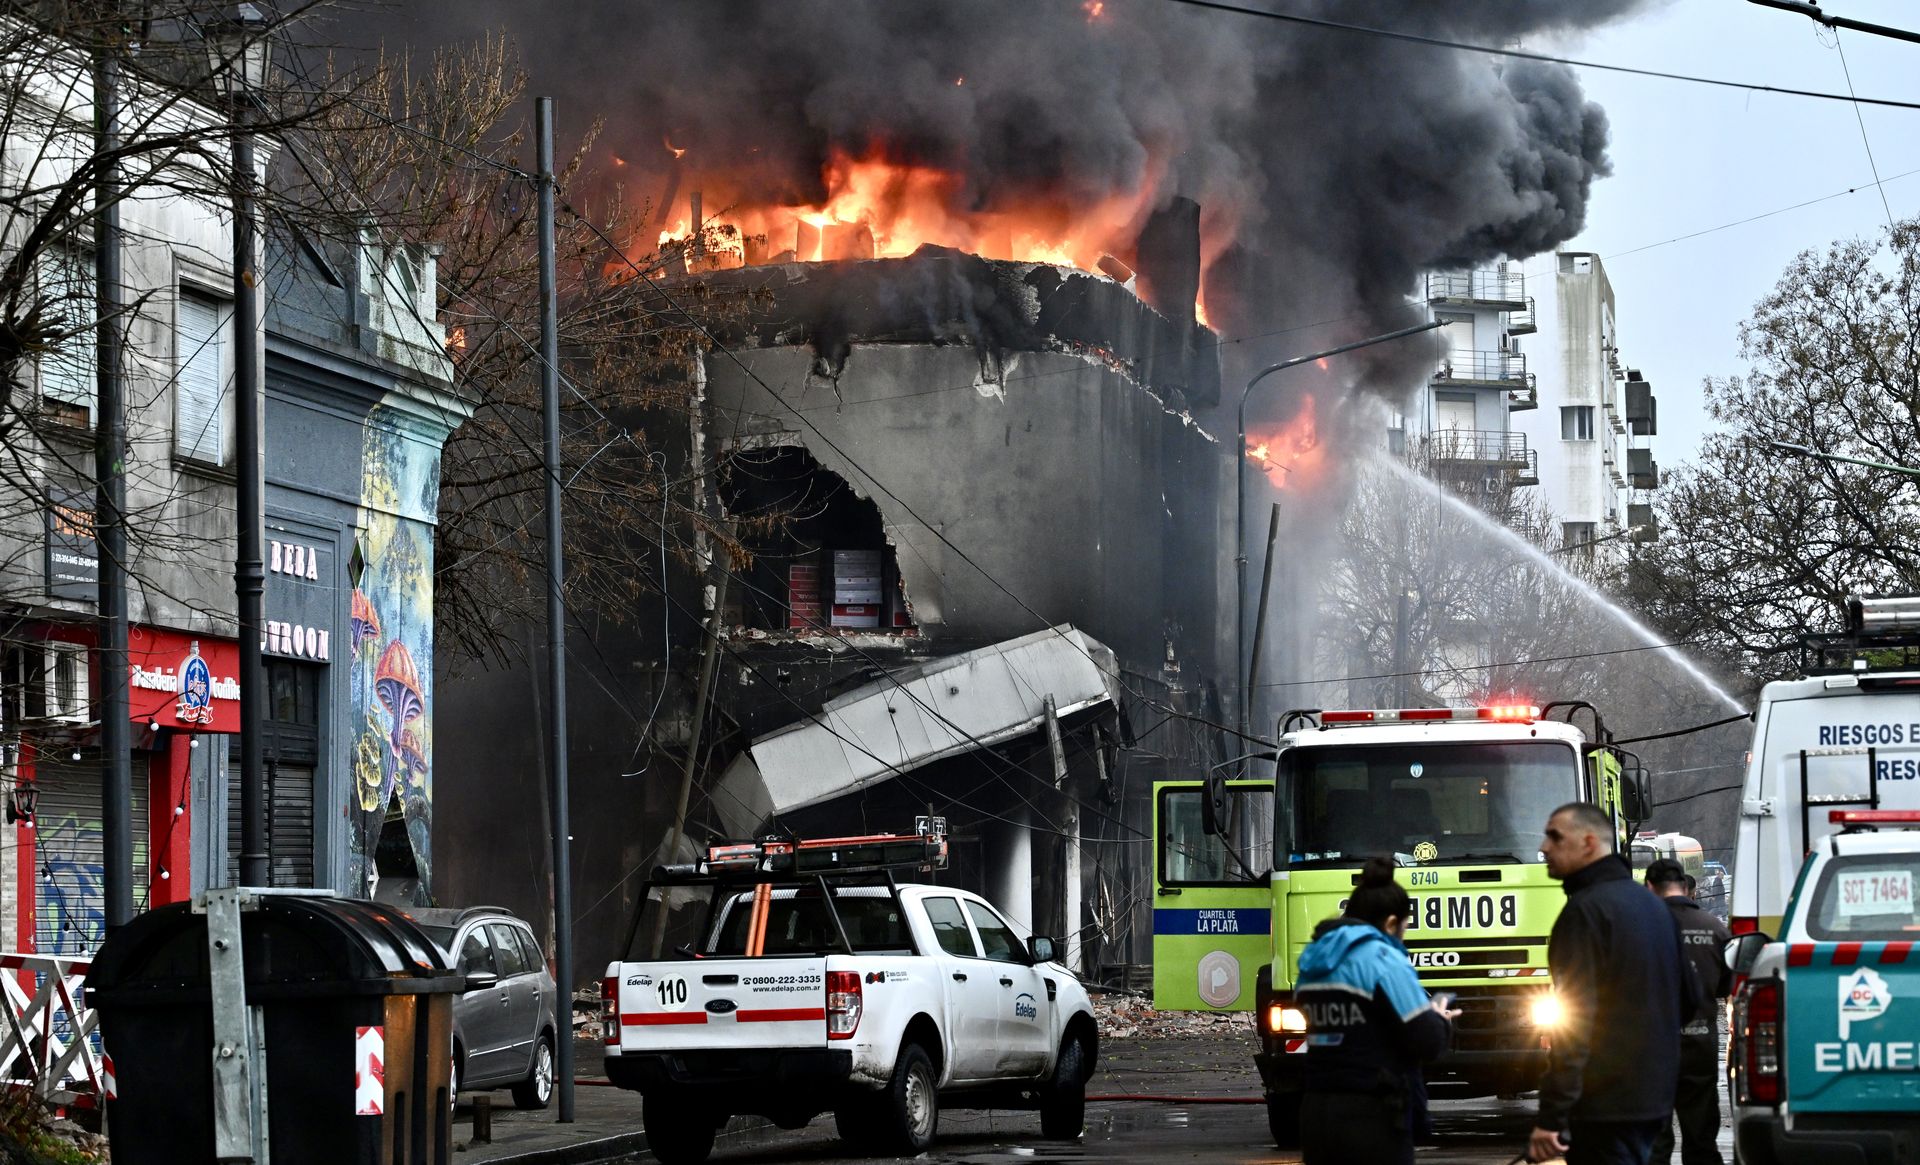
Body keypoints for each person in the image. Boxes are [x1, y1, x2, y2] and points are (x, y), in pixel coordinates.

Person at [1529, 803, 1697, 1165]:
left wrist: (1551, 1117)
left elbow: (1573, 1026)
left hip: (1601, 1111)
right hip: (1653, 1102)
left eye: (1554, 836)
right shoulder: (1654, 909)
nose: (1543, 846)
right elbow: (1689, 999)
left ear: (1589, 842)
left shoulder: (1584, 914)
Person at [1295, 856, 1459, 1165]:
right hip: (1373, 1116)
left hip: (1316, 1113)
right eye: (1405, 927)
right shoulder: (1382, 959)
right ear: (1391, 923)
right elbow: (1428, 1042)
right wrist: (1439, 1016)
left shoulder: (1313, 959)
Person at [1645, 858, 1731, 1165]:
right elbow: (1725, 986)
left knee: (1654, 1141)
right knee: (1701, 1137)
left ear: (1649, 888)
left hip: (1652, 1049)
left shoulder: (1638, 929)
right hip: (1699, 1044)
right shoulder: (1714, 929)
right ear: (1686, 888)